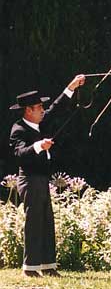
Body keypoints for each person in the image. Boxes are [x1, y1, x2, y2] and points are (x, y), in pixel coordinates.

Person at [8, 74, 86, 278]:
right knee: (33, 223)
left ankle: (48, 265)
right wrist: (38, 146)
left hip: (42, 180)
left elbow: (57, 107)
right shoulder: (18, 130)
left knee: (46, 222)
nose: (43, 110)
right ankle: (30, 268)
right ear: (28, 110)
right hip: (29, 180)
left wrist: (72, 86)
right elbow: (20, 154)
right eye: (39, 107)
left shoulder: (40, 123)